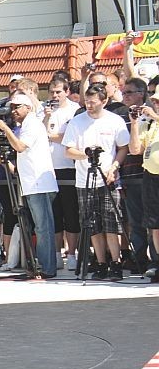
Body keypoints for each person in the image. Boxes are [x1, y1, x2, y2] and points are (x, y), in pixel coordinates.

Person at [62, 84, 130, 281]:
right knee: (92, 224)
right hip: (84, 180)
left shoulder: (114, 120)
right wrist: (86, 154)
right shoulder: (77, 122)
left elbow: (123, 147)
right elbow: (68, 150)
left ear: (104, 101)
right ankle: (101, 263)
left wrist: (114, 167)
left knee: (111, 223)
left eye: (93, 102)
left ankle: (115, 262)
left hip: (108, 178)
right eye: (87, 102)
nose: (89, 106)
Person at [0, 94, 59, 277]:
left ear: (28, 107)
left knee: (43, 228)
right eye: (12, 107)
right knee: (39, 227)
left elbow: (20, 147)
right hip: (32, 183)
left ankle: (47, 268)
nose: (13, 111)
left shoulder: (32, 124)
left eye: (17, 107)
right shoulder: (27, 125)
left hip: (39, 184)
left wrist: (6, 129)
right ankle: (41, 266)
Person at [43, 78, 82, 271]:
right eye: (52, 92)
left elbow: (70, 138)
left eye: (58, 91)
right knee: (54, 214)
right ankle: (57, 254)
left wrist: (51, 136)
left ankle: (72, 253)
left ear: (66, 91)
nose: (55, 95)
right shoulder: (45, 110)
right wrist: (46, 118)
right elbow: (38, 134)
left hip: (69, 167)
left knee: (71, 213)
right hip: (49, 168)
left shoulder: (75, 110)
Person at [128, 90, 159, 282]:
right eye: (155, 101)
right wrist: (134, 123)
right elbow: (135, 149)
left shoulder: (154, 118)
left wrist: (154, 116)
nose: (156, 104)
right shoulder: (149, 123)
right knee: (154, 224)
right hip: (151, 176)